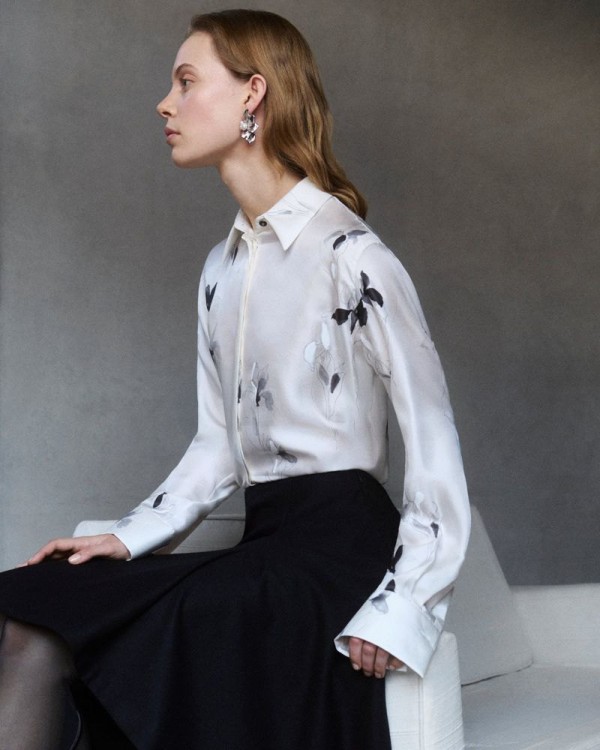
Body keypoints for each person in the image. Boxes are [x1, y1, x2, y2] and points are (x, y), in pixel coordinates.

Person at [0, 9, 470, 750]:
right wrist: (127, 537)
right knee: (30, 609)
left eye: (186, 82)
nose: (165, 103)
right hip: (267, 541)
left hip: (340, 556)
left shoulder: (353, 256)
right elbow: (218, 445)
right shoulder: (222, 269)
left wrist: (404, 604)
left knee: (144, 630)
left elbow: (433, 436)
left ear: (254, 94)